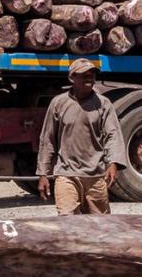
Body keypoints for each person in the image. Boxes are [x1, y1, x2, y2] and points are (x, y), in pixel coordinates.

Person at [36, 58, 126, 215]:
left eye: (92, 74)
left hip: (95, 176)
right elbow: (47, 140)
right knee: (68, 222)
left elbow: (113, 135)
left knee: (100, 226)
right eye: (84, 74)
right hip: (66, 175)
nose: (89, 78)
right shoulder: (58, 104)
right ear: (72, 78)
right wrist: (43, 173)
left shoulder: (103, 104)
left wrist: (113, 163)